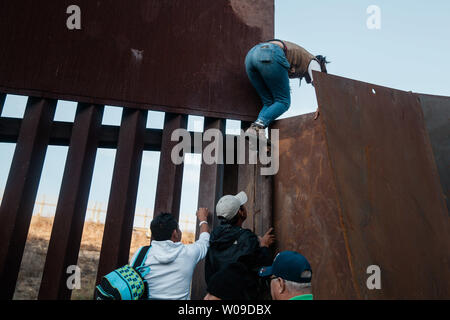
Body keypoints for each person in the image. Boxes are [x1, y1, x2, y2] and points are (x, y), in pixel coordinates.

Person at [245, 39, 329, 132]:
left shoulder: (298, 60)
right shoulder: (314, 61)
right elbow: (318, 84)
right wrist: (322, 106)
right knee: (283, 101)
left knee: (269, 103)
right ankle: (256, 127)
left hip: (251, 56)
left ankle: (258, 132)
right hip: (270, 53)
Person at [129, 209, 210, 300]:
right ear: (175, 233)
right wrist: (203, 219)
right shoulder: (188, 253)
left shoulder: (141, 253)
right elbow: (204, 241)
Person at [205, 191, 275, 294]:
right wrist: (264, 246)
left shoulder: (213, 239)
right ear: (240, 212)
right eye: (242, 206)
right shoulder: (247, 238)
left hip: (218, 295)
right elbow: (263, 268)